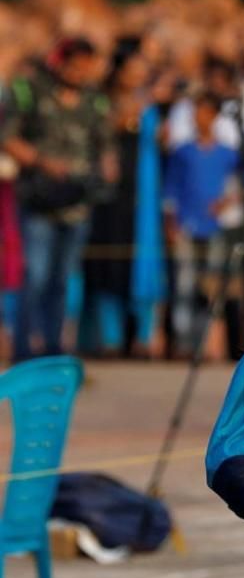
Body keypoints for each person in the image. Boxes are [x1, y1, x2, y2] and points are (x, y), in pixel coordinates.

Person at [0, 37, 116, 361]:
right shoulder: (31, 92)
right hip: (39, 201)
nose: (80, 73)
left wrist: (107, 167)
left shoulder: (94, 101)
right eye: (74, 65)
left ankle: (53, 349)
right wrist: (41, 162)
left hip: (77, 205)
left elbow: (105, 144)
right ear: (59, 61)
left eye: (86, 67)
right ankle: (24, 349)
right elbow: (7, 137)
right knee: (34, 277)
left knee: (62, 281)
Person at [82, 37, 166, 358]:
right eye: (133, 69)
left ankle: (144, 337)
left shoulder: (151, 107)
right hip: (110, 198)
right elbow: (105, 129)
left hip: (142, 199)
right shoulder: (101, 102)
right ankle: (110, 338)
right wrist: (140, 103)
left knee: (142, 265)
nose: (138, 75)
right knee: (109, 266)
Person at [162, 93, 243, 358]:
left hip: (215, 225)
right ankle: (184, 340)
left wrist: (228, 200)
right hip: (187, 223)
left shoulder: (227, 153)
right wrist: (171, 222)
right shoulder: (183, 152)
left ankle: (208, 341)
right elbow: (170, 190)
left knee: (213, 285)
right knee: (185, 284)